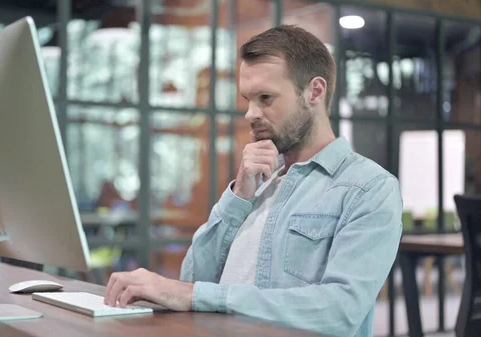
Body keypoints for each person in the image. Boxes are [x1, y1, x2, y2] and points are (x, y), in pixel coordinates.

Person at [103, 25, 403, 337]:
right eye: (248, 99)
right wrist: (239, 195)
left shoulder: (370, 188)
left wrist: (193, 295)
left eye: (265, 98)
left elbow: (340, 311)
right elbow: (192, 278)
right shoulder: (256, 187)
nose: (250, 114)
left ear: (315, 91)